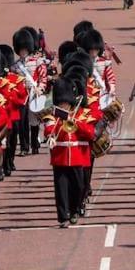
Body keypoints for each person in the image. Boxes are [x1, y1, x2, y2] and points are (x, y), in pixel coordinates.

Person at [44, 77, 96, 228]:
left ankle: (74, 211)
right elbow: (48, 131)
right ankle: (63, 217)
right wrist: (60, 122)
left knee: (79, 187)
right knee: (61, 189)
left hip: (78, 157)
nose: (63, 105)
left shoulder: (81, 115)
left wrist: (76, 123)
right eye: (61, 103)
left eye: (65, 103)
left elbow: (90, 133)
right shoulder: (52, 116)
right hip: (60, 157)